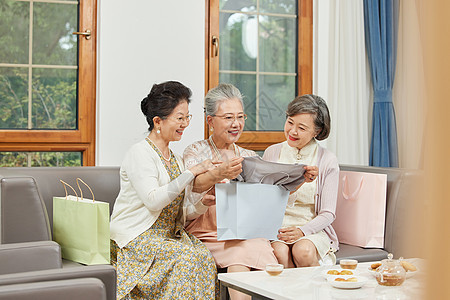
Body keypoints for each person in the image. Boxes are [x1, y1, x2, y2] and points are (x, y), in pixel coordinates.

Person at [109, 81, 218, 299]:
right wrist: (192, 172)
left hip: (168, 236)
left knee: (204, 257)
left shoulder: (176, 159)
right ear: (158, 121)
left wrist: (200, 205)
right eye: (180, 118)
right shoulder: (140, 153)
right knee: (185, 258)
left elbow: (177, 212)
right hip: (137, 238)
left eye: (187, 117)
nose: (185, 124)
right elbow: (153, 201)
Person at [263, 94, 339, 268]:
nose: (292, 131)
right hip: (277, 229)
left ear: (317, 131)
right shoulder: (272, 153)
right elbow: (264, 200)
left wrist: (302, 231)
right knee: (280, 253)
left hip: (311, 229)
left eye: (302, 128)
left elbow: (328, 213)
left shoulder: (327, 160)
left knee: (303, 251)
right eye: (290, 122)